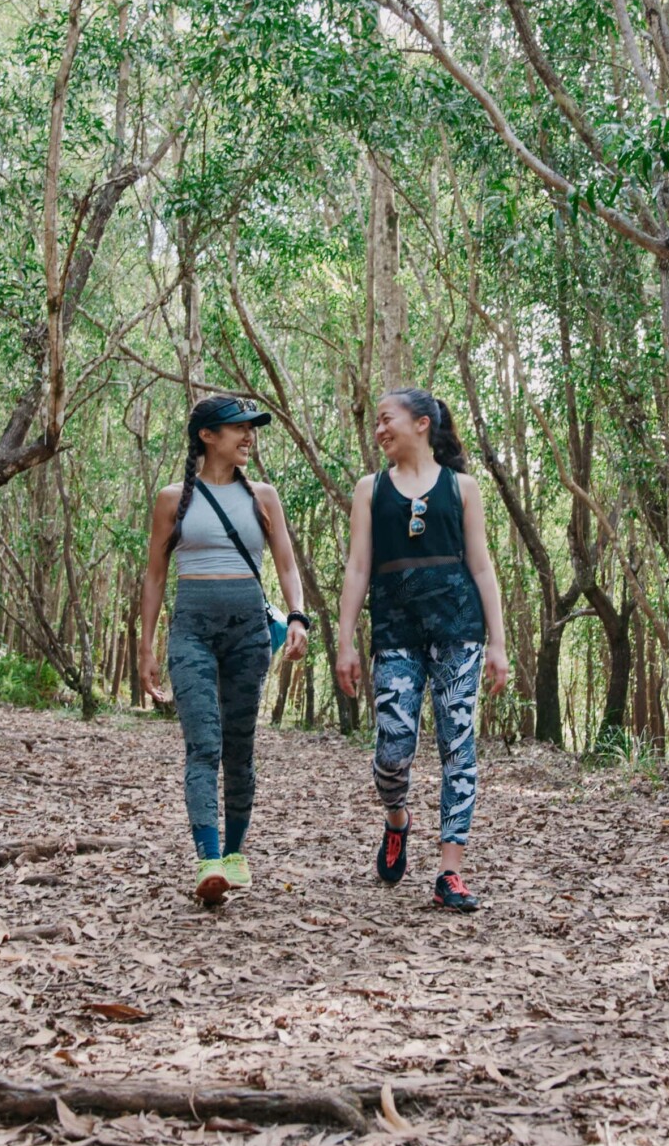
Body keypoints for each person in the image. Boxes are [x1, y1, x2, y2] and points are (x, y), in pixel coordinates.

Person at [335, 387, 509, 913]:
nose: (379, 429)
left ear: (421, 423)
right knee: (393, 751)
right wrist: (345, 643)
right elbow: (358, 567)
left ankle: (450, 872)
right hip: (395, 634)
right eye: (377, 424)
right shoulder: (371, 489)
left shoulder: (463, 488)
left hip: (459, 630)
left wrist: (498, 642)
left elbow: (481, 565)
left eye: (387, 419)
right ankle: (397, 821)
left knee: (459, 748)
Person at [137, 396, 310, 906]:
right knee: (203, 743)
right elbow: (154, 574)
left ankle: (235, 855)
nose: (248, 436)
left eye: (251, 429)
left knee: (239, 745)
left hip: (248, 632)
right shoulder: (174, 499)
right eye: (238, 428)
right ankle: (208, 859)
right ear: (208, 436)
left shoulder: (264, 497)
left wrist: (297, 615)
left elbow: (286, 565)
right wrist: (146, 647)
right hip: (191, 628)